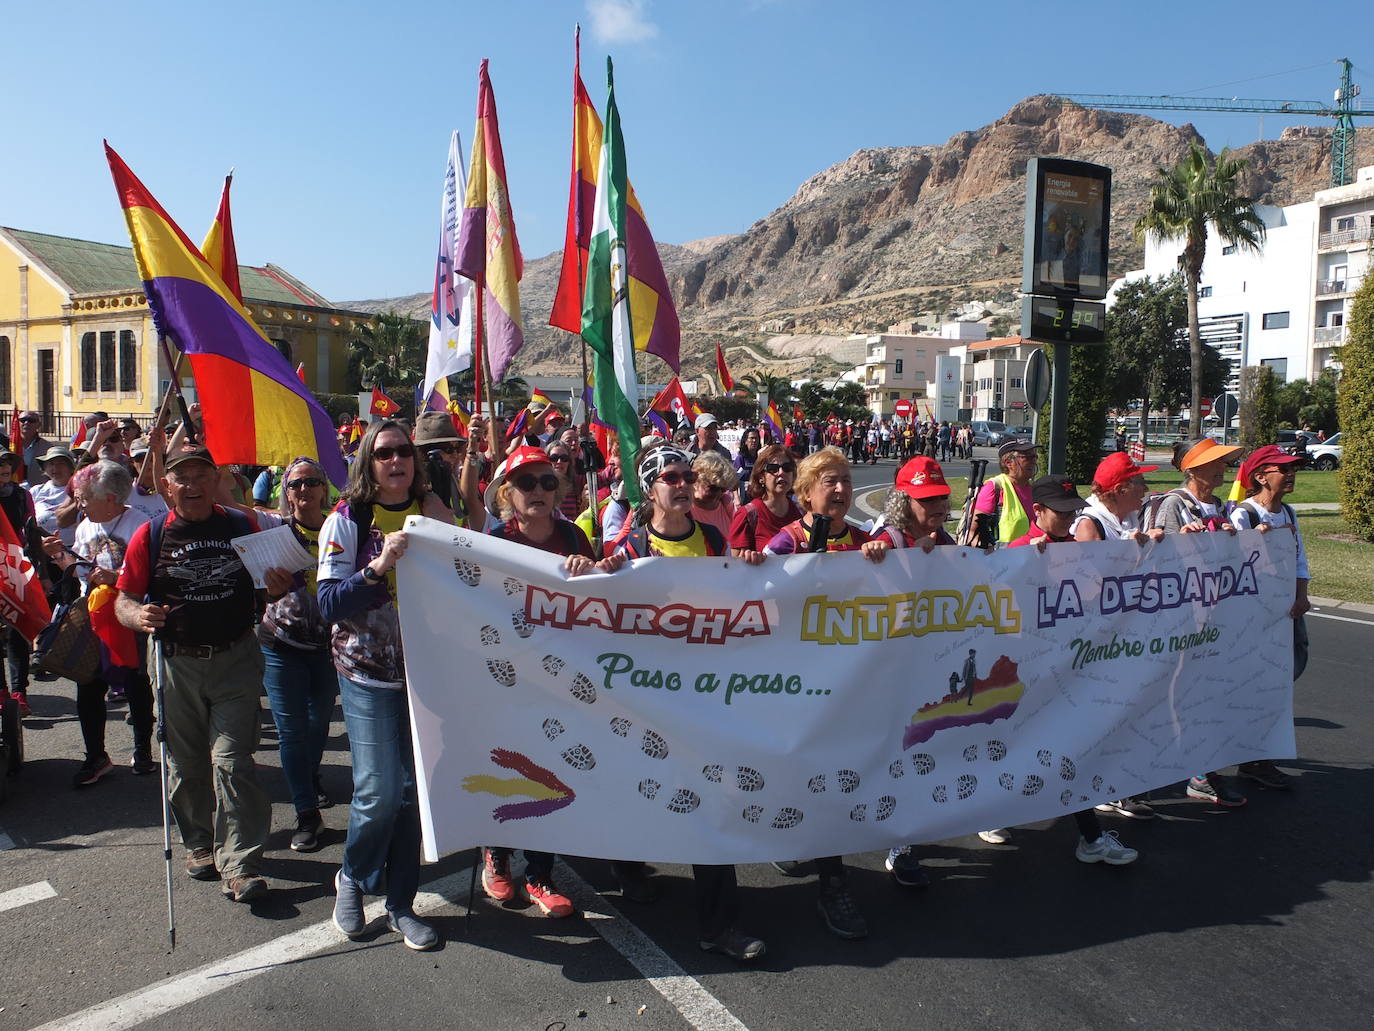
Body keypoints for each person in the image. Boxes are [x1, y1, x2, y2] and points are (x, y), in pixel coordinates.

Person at [613, 446, 766, 960]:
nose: (681, 484)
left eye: (687, 476)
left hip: (704, 705)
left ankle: (719, 925)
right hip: (645, 705)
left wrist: (749, 566)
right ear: (649, 489)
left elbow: (741, 605)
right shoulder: (628, 549)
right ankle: (627, 864)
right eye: (670, 477)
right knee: (640, 794)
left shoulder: (716, 541)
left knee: (713, 809)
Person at [115, 442, 271, 903]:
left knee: (233, 762)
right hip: (175, 663)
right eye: (182, 477)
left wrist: (277, 586)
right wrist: (137, 616)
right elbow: (124, 599)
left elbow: (272, 585)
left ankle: (241, 864)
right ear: (168, 486)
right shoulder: (152, 535)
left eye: (202, 475)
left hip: (236, 659)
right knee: (184, 764)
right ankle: (198, 840)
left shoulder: (245, 525)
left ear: (217, 481)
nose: (193, 485)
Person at [317, 420, 453, 951]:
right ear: (367, 464)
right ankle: (352, 876)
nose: (396, 460)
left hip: (425, 675)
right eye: (384, 453)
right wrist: (379, 566)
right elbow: (328, 604)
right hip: (367, 674)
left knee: (412, 795)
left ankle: (401, 904)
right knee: (379, 791)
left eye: (404, 452)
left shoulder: (434, 513)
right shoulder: (347, 520)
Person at [480, 446, 626, 916]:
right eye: (527, 484)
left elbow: (598, 599)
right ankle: (497, 856)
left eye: (547, 482)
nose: (539, 491)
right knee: (507, 766)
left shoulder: (572, 536)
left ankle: (541, 874)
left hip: (559, 678)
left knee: (550, 773)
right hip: (503, 675)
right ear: (508, 493)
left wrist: (597, 572)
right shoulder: (493, 540)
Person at [762, 447, 888, 940]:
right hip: (794, 686)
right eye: (829, 481)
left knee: (836, 777)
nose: (839, 490)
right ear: (806, 493)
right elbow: (753, 597)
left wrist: (886, 561)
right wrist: (756, 566)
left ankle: (833, 884)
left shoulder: (863, 541)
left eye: (845, 481)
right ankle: (796, 838)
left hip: (848, 687)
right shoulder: (786, 542)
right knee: (800, 770)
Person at [991, 474, 1141, 864]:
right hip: (1026, 672)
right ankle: (992, 810)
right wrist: (1026, 566)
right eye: (1060, 513)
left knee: (1068, 749)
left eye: (1073, 511)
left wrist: (1141, 553)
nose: (1069, 518)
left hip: (1068, 670)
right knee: (1017, 747)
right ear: (1037, 511)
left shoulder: (1079, 547)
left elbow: (1103, 593)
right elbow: (996, 605)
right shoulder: (1022, 548)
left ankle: (1090, 837)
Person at [44, 460, 155, 787]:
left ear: (110, 498)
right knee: (88, 685)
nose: (80, 504)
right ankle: (96, 756)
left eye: (85, 497)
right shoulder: (85, 526)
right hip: (92, 617)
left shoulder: (141, 526)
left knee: (137, 685)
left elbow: (151, 577)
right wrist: (57, 557)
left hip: (129, 616)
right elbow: (79, 571)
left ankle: (143, 750)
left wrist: (118, 578)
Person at [250, 458, 338, 853]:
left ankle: (309, 773)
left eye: (311, 483)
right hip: (280, 644)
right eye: (296, 485)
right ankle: (306, 813)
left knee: (319, 723)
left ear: (324, 489)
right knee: (291, 730)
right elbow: (227, 503)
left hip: (327, 648)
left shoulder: (342, 529)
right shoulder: (275, 529)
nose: (303, 491)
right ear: (286, 492)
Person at [1229, 444, 1309, 791]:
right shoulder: (1244, 515)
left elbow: (1299, 557)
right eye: (1283, 470)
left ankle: (1258, 756)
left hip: (1284, 612)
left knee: (1285, 675)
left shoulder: (1288, 512)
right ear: (1261, 476)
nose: (1290, 475)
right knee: (1251, 685)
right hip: (1252, 619)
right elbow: (1235, 566)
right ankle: (1249, 755)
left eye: (1292, 469)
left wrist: (1301, 594)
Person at [0, 450, 38, 715]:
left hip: (14, 568)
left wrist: (43, 576)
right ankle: (1, 691)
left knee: (16, 633)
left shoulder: (22, 496)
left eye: (6, 465)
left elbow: (32, 533)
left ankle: (18, 691)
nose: (3, 469)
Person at [727, 444, 801, 559]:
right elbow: (737, 568)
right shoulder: (747, 516)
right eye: (773, 469)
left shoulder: (801, 513)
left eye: (787, 467)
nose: (781, 473)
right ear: (761, 477)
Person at [412, 411, 483, 530]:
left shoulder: (451, 480)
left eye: (457, 448)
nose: (455, 455)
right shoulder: (414, 488)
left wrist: (473, 446)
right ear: (425, 452)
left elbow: (469, 500)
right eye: (449, 449)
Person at [31, 445, 77, 549]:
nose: (55, 468)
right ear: (45, 468)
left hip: (72, 549)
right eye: (51, 464)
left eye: (61, 463)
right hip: (43, 551)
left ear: (71, 468)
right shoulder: (36, 491)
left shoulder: (79, 490)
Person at [689, 451, 738, 539]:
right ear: (697, 480)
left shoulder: (727, 505)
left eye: (723, 489)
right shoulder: (684, 509)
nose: (719, 493)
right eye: (713, 488)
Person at [16, 411, 53, 486]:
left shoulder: (48, 448)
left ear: (39, 425)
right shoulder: (8, 445)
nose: (26, 423)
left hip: (37, 492)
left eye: (31, 420)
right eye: (23, 420)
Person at [733, 428, 761, 502]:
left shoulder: (761, 457)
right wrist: (736, 498)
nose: (754, 441)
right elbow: (733, 480)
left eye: (756, 438)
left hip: (758, 494)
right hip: (744, 496)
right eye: (751, 438)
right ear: (745, 441)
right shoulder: (741, 458)